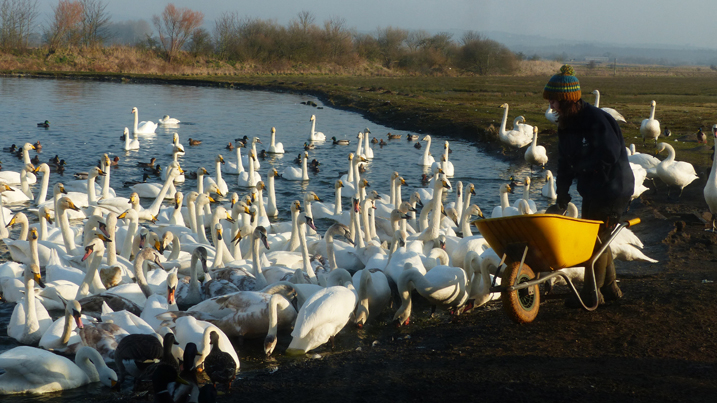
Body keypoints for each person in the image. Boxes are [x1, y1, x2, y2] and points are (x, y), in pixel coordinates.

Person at [543, 65, 634, 307]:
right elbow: (564, 163)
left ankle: (590, 294)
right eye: (550, 100)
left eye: (554, 101)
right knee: (598, 237)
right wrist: (562, 197)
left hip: (614, 188)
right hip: (593, 189)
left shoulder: (596, 120)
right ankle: (611, 287)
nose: (551, 106)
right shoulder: (567, 124)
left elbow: (611, 154)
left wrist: (582, 167)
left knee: (595, 240)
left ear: (567, 99)